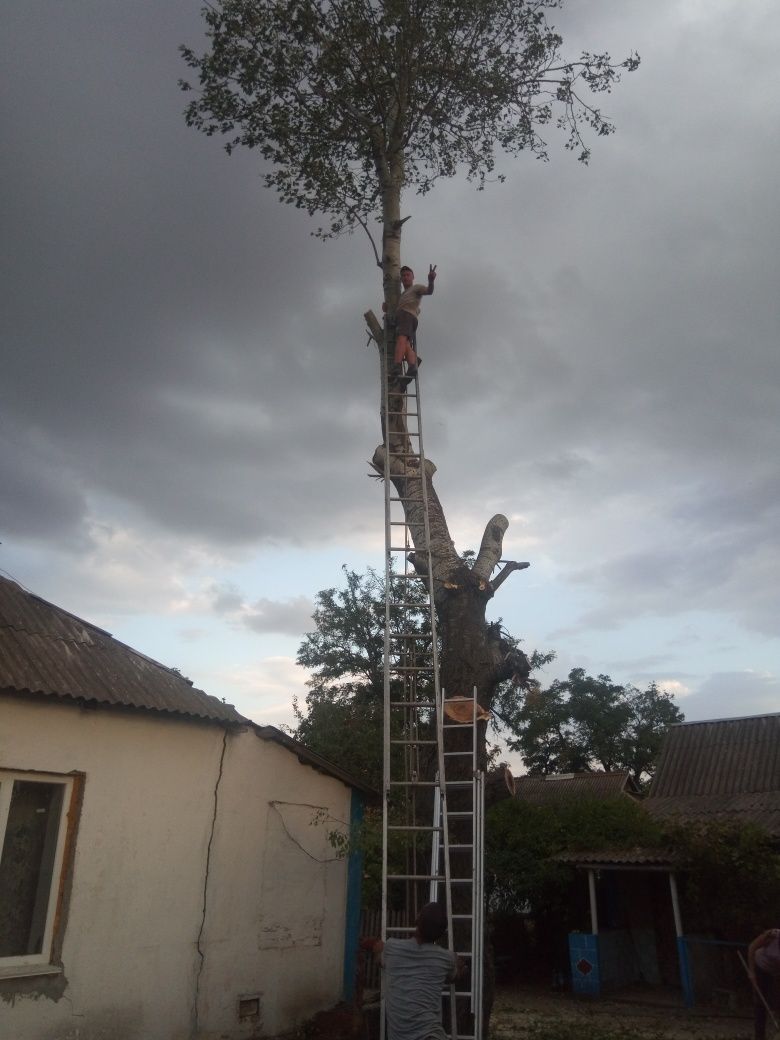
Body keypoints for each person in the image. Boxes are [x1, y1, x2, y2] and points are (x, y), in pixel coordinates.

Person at [361, 902, 462, 1040]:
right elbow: (455, 976)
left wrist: (368, 943)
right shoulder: (446, 958)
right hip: (432, 1036)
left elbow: (378, 953)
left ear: (416, 921)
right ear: (442, 933)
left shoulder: (391, 948)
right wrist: (458, 965)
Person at [395, 264, 437, 379]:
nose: (405, 277)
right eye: (403, 275)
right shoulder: (403, 294)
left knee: (401, 338)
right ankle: (412, 366)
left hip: (406, 316)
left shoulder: (416, 288)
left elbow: (429, 291)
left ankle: (397, 366)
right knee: (406, 344)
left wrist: (431, 281)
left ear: (413, 277)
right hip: (406, 317)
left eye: (408, 275)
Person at [747, 927, 780, 1040]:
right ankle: (759, 1036)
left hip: (775, 972)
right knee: (760, 1003)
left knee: (776, 1000)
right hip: (760, 967)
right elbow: (752, 947)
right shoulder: (773, 935)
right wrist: (751, 972)